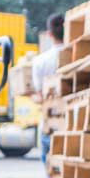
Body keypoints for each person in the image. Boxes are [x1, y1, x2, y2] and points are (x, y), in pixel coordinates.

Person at [30, 13, 65, 166]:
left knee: (52, 172)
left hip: (51, 122)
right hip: (73, 123)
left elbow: (40, 95)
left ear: (49, 34)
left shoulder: (40, 61)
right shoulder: (79, 56)